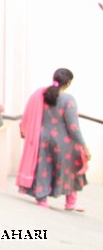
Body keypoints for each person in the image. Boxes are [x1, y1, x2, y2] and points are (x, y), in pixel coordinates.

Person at [17, 68, 92, 210]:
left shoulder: (42, 94)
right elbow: (73, 127)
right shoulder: (68, 100)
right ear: (68, 83)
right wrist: (84, 146)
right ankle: (71, 202)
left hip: (43, 139)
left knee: (44, 168)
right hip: (63, 142)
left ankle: (42, 199)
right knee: (72, 168)